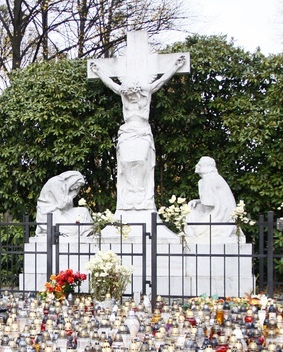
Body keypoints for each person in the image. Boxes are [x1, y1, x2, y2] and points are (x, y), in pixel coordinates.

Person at [90, 56, 185, 211]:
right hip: (127, 132)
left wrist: (175, 67)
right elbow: (111, 84)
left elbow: (160, 82)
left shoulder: (146, 91)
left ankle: (140, 190)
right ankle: (130, 192)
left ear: (138, 91)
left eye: (132, 94)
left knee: (141, 160)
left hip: (142, 131)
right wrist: (98, 71)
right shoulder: (123, 93)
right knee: (126, 162)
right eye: (127, 95)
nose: (129, 97)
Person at [185, 156, 239, 241]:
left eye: (200, 164)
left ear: (205, 167)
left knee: (196, 233)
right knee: (192, 207)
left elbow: (209, 205)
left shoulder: (208, 180)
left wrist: (202, 219)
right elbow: (214, 200)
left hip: (220, 216)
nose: (197, 165)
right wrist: (197, 201)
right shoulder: (212, 178)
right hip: (221, 213)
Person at [35, 170, 93, 237]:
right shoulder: (56, 182)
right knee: (72, 230)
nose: (77, 188)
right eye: (77, 184)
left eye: (78, 186)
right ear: (73, 180)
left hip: (61, 212)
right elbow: (62, 204)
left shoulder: (66, 187)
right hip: (50, 214)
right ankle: (78, 232)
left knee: (84, 211)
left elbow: (68, 207)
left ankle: (88, 234)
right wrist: (71, 196)